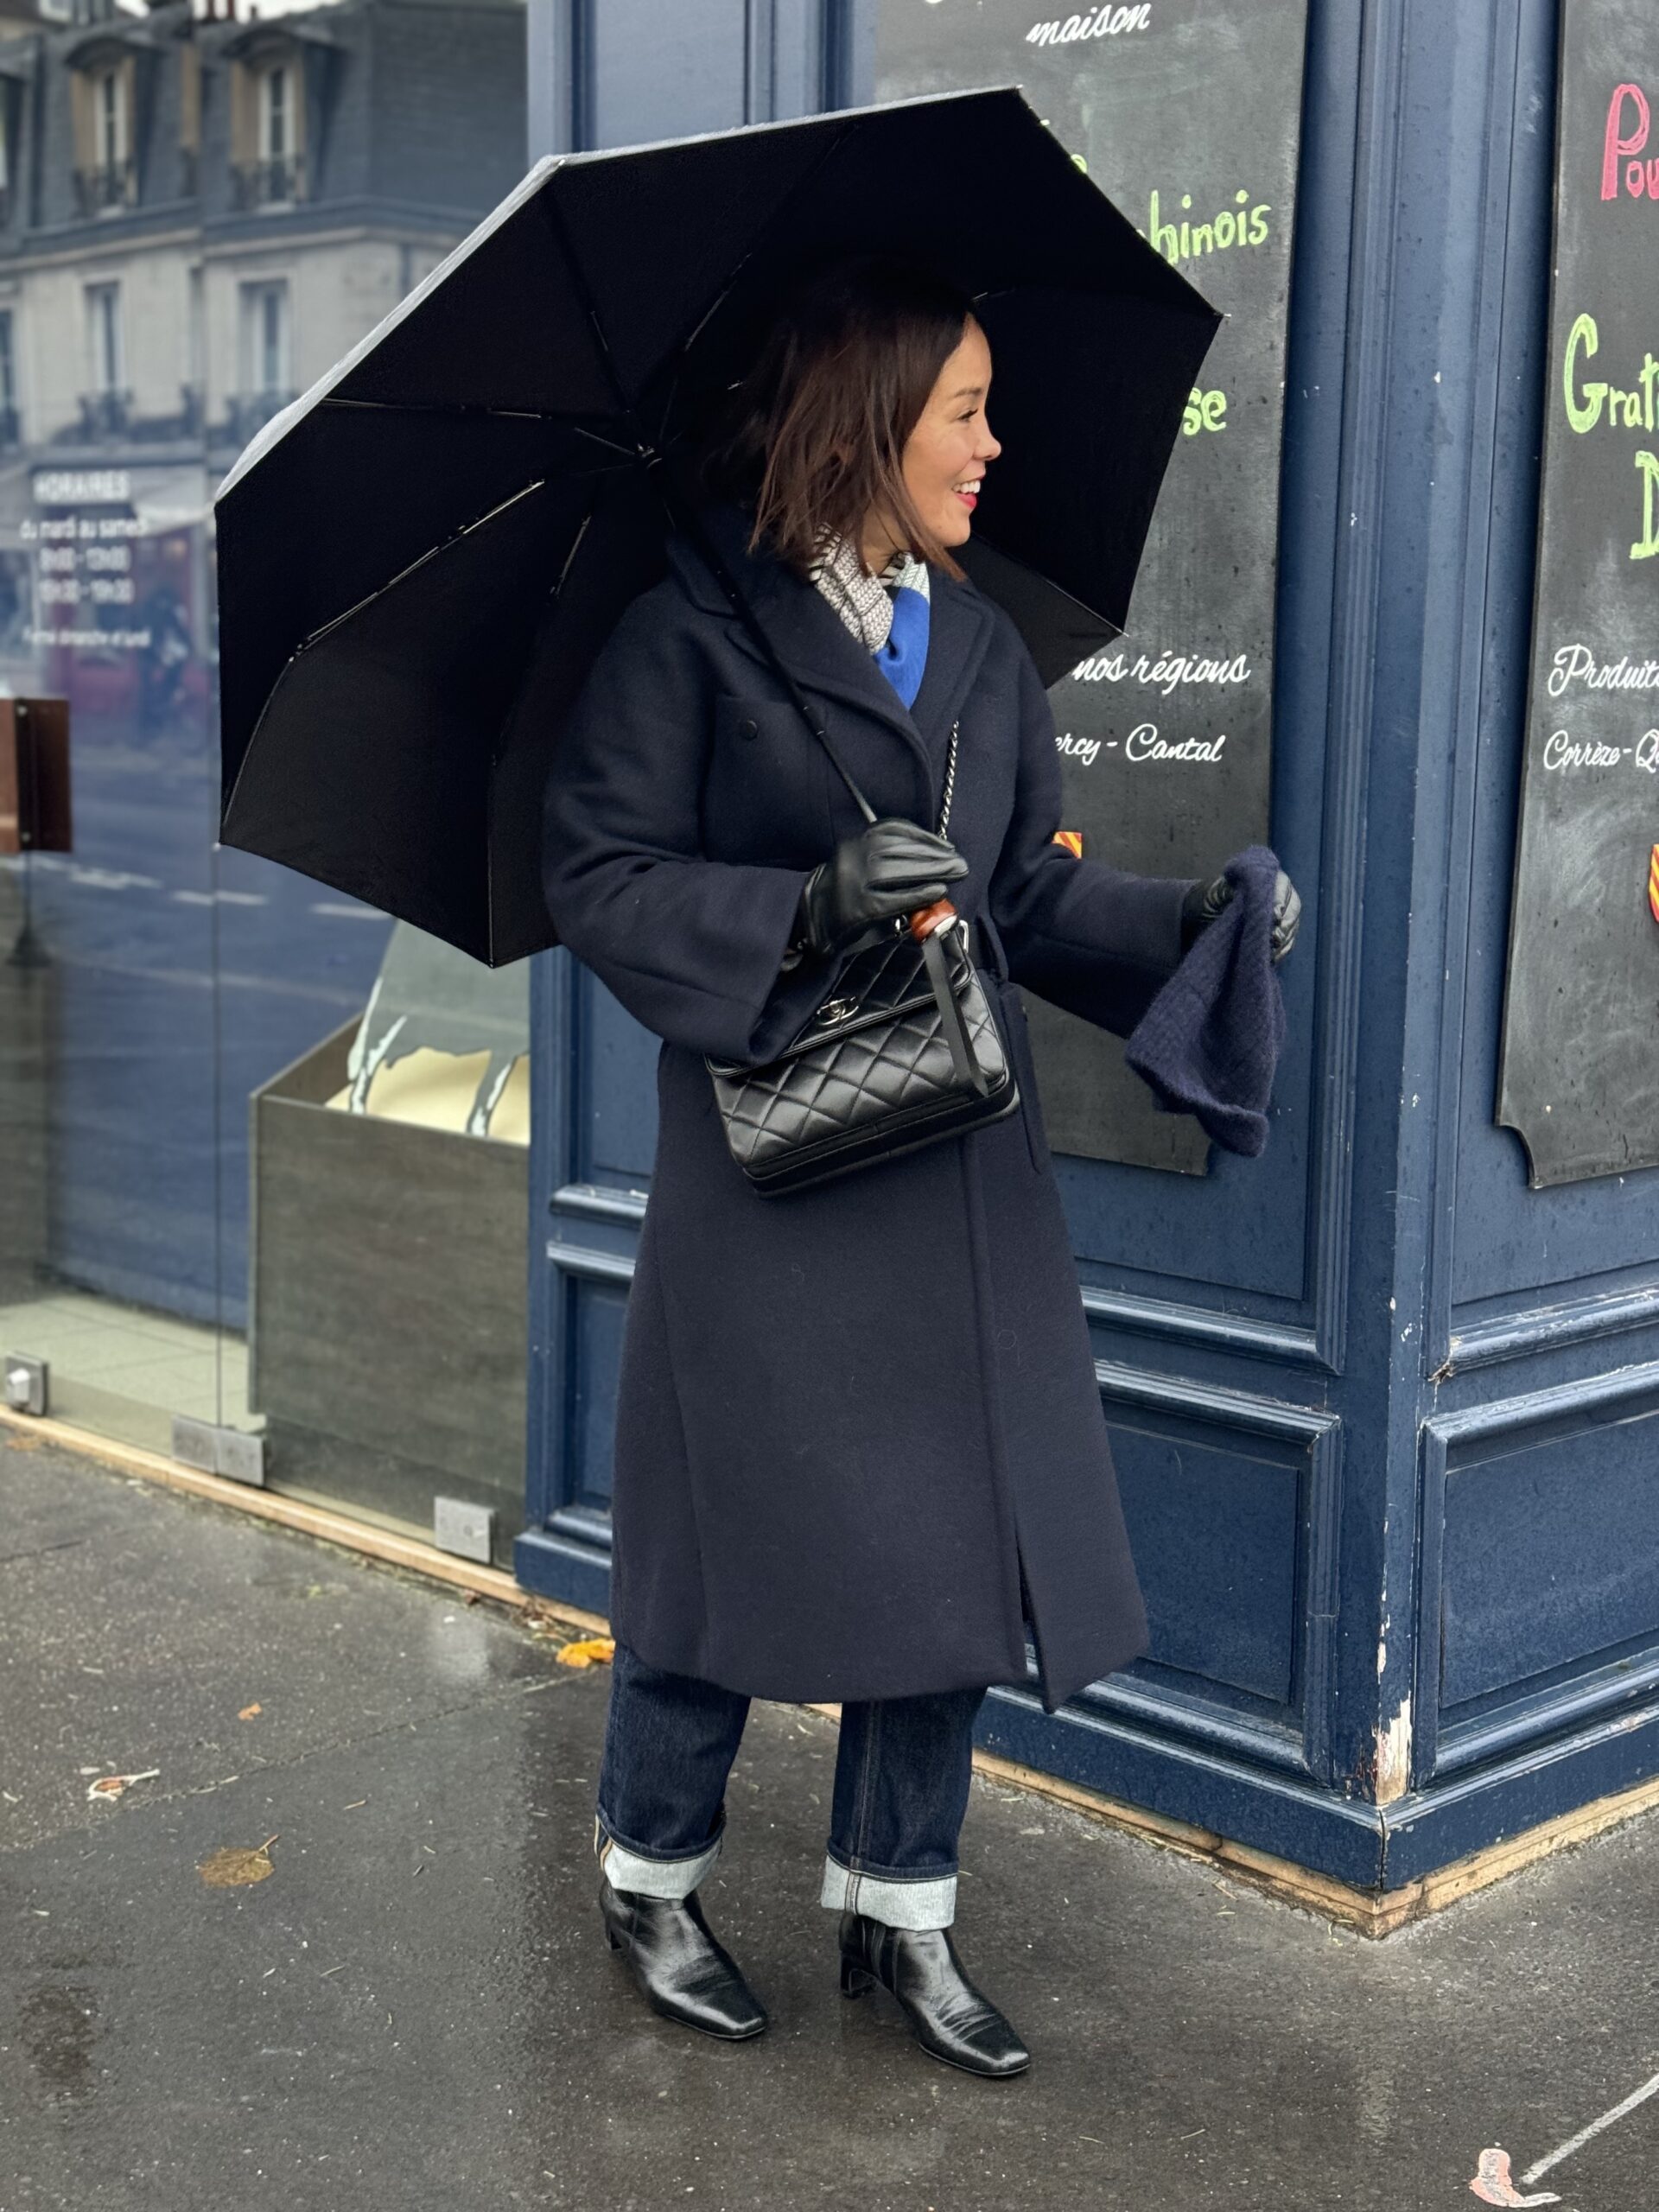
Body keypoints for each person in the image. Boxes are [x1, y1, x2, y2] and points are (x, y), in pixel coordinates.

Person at [542, 255, 1300, 2078]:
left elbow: (1024, 897)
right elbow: (598, 874)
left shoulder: (976, 647)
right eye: (962, 410)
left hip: (957, 1171)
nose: (991, 446)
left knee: (952, 1563)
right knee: (714, 1570)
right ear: (864, 422)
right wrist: (795, 902)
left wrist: (1192, 922)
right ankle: (653, 1875)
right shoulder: (684, 633)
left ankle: (902, 1911)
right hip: (777, 1174)